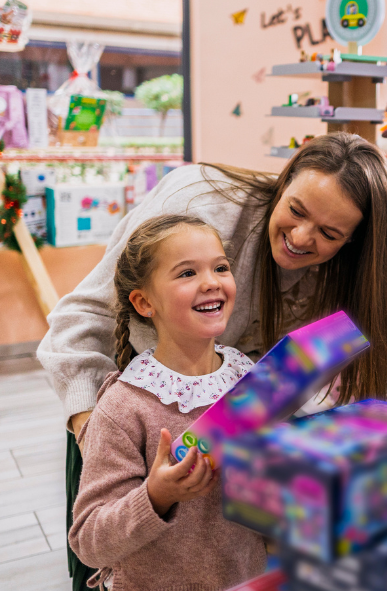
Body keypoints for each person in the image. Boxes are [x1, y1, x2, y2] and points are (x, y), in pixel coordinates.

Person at [38, 133, 387, 590]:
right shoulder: (200, 205)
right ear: (283, 182)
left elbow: (284, 388)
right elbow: (81, 319)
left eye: (329, 234)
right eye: (297, 211)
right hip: (118, 448)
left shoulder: (269, 343)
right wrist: (102, 440)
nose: (302, 238)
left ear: (351, 242)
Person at [70, 214, 264, 590]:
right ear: (144, 303)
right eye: (187, 273)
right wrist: (156, 496)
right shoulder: (125, 405)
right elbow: (88, 541)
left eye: (220, 267)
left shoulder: (249, 378)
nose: (211, 282)